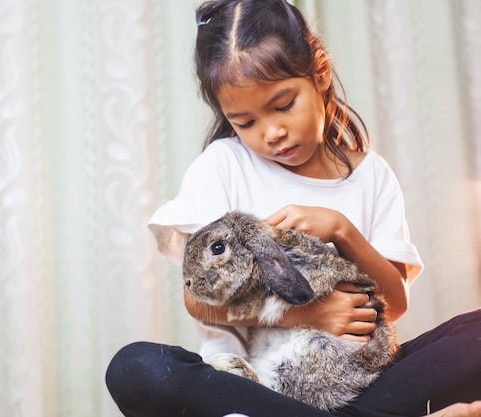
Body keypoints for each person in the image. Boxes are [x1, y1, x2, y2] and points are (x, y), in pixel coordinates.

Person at [105, 1, 481, 416]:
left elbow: (393, 303)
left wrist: (342, 230)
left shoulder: (372, 175)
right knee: (137, 367)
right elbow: (198, 298)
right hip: (254, 386)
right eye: (245, 122)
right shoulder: (222, 165)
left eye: (283, 105)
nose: (272, 132)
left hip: (356, 379)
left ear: (318, 74)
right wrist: (308, 315)